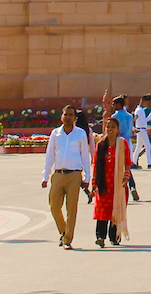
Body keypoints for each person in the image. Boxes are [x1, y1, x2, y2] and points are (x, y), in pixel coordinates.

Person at [42, 104, 91, 249]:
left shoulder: (80, 134)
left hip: (74, 175)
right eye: (66, 114)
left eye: (71, 115)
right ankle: (63, 231)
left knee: (71, 209)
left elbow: (84, 156)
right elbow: (50, 155)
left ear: (75, 118)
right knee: (54, 206)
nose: (68, 117)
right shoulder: (55, 134)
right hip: (58, 174)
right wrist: (45, 175)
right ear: (61, 117)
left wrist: (87, 177)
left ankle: (68, 239)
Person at [92, 114, 131, 247]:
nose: (110, 129)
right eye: (108, 126)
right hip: (103, 183)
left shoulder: (122, 144)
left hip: (118, 183)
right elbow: (96, 164)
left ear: (117, 129)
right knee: (102, 210)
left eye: (113, 127)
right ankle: (100, 237)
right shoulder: (101, 145)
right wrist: (94, 182)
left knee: (116, 209)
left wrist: (126, 177)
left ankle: (114, 237)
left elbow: (127, 162)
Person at [103, 92, 140, 200]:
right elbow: (132, 129)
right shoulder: (129, 116)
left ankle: (120, 188)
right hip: (128, 142)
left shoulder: (115, 117)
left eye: (114, 104)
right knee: (126, 166)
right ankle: (132, 187)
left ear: (119, 105)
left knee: (118, 167)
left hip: (118, 143)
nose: (113, 106)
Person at [133, 94, 151, 169]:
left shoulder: (138, 109)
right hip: (142, 129)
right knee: (148, 146)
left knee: (138, 147)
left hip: (140, 129)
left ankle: (134, 162)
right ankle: (149, 163)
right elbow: (144, 120)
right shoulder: (140, 110)